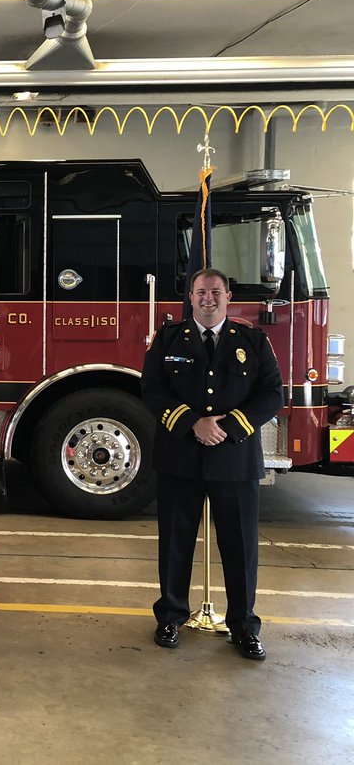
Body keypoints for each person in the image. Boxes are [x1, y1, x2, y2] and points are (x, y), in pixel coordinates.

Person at [141, 267, 283, 661]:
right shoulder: (168, 338)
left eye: (216, 292)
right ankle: (170, 617)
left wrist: (231, 427)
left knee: (240, 547)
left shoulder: (253, 341)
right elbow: (151, 388)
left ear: (228, 296)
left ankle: (244, 626)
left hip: (234, 457)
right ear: (189, 297)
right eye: (201, 292)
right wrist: (192, 423)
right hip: (180, 456)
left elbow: (272, 394)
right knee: (175, 542)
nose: (208, 298)